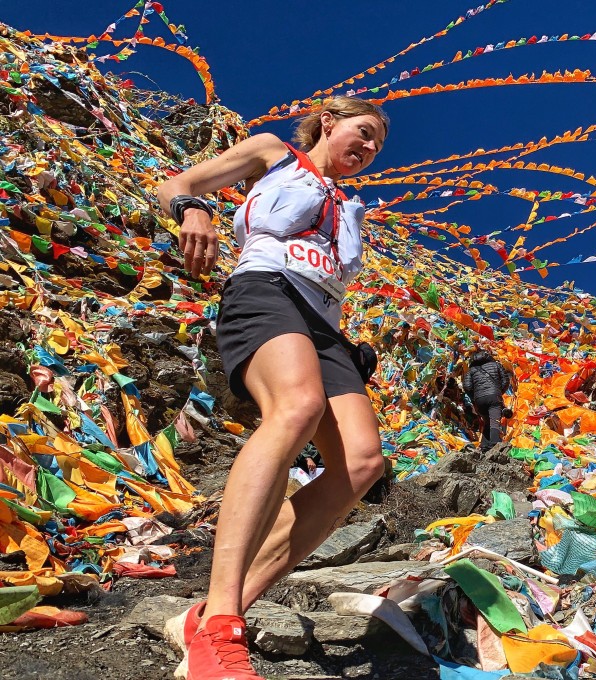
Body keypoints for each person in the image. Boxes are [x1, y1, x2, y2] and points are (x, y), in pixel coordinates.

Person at [156, 97, 389, 680]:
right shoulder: (275, 154)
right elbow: (179, 181)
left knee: (361, 466)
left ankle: (208, 615)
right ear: (328, 121)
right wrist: (195, 212)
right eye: (362, 133)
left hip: (326, 323)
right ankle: (222, 628)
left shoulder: (351, 207)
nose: (367, 150)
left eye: (377, 146)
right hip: (265, 290)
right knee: (297, 407)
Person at [462, 349, 511, 451]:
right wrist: (498, 391)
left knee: (487, 422)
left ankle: (484, 446)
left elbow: (467, 387)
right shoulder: (496, 365)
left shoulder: (471, 371)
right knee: (494, 421)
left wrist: (474, 397)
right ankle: (495, 445)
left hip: (479, 399)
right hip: (494, 396)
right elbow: (506, 380)